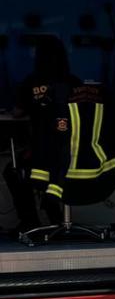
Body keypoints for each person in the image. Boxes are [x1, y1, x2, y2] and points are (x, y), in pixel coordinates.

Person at [6, 36, 79, 233]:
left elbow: (17, 112)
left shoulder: (31, 83)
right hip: (77, 157)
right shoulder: (74, 83)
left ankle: (30, 220)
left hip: (43, 157)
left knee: (12, 169)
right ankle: (55, 214)